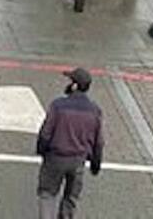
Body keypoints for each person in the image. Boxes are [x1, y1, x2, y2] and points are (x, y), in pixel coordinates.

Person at [36, 68, 104, 219]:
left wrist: (41, 150)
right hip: (78, 161)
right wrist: (95, 164)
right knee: (70, 199)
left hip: (55, 158)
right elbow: (98, 142)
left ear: (74, 86)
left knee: (47, 194)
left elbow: (45, 133)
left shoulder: (58, 106)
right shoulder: (94, 111)